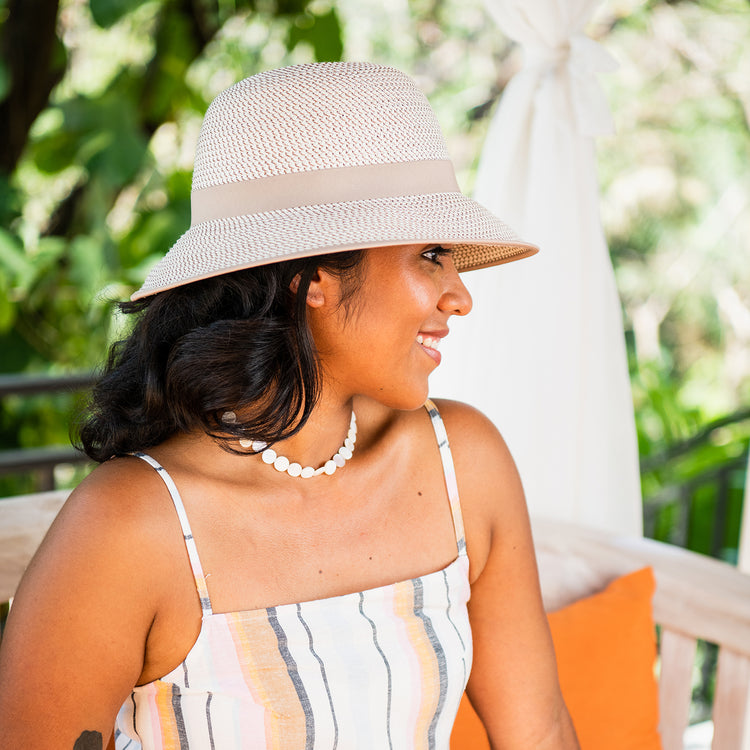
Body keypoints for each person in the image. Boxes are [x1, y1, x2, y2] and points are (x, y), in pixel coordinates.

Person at [0, 62, 578, 750]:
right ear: (315, 278)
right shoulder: (131, 525)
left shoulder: (464, 464)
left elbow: (538, 733)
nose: (459, 295)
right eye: (430, 255)